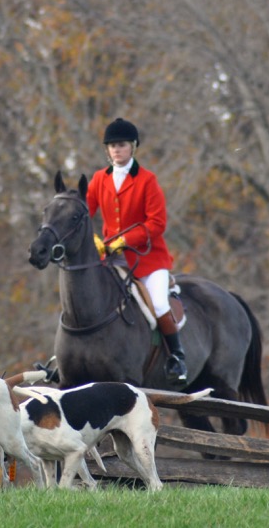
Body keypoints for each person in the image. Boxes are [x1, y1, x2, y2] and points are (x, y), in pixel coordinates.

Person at [84, 117, 187, 384]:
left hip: (148, 260)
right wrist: (93, 239)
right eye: (112, 146)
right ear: (107, 150)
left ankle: (177, 356)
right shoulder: (98, 180)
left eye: (122, 145)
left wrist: (125, 239)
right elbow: (83, 213)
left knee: (160, 302)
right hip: (112, 261)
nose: (117, 150)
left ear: (133, 148)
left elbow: (157, 223)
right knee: (88, 299)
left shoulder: (147, 180)